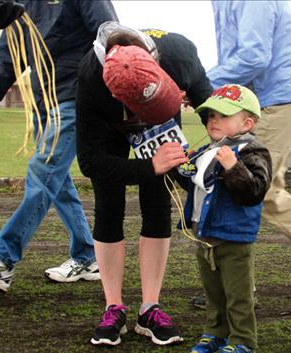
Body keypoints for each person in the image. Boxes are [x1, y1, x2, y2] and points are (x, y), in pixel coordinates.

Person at [75, 22, 213, 346]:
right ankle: (114, 307)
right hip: (110, 131)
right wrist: (149, 166)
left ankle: (150, 308)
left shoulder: (179, 56)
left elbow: (212, 112)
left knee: (158, 204)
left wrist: (217, 152)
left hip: (162, 119)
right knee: (109, 205)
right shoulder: (91, 78)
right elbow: (90, 162)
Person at [0, 0, 119, 293]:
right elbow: (10, 53)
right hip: (43, 99)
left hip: (78, 94)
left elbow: (109, 35)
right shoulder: (19, 4)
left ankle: (2, 259)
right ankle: (86, 255)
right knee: (59, 180)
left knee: (43, 171)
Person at [172, 84, 272, 353]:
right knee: (213, 292)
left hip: (234, 235)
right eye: (211, 116)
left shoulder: (252, 151)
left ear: (247, 123)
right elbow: (196, 185)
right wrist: (178, 168)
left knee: (237, 294)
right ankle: (216, 332)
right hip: (204, 234)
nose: (213, 121)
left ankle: (243, 340)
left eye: (223, 115)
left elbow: (254, 192)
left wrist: (233, 166)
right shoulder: (208, 149)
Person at [207, 0, 291, 243]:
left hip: (274, 100)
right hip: (254, 102)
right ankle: (234, 273)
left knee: (262, 187)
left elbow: (253, 57)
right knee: (243, 183)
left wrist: (202, 85)